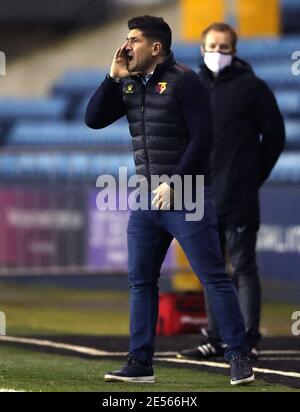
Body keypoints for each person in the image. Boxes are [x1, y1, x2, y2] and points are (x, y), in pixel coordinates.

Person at [85, 15, 254, 385]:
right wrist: (112, 78)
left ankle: (238, 356)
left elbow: (203, 138)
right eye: (127, 39)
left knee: (212, 277)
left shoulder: (185, 82)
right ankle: (140, 362)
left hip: (188, 193)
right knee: (140, 282)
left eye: (133, 40)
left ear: (155, 47)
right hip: (147, 197)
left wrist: (176, 183)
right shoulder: (129, 84)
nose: (127, 46)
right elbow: (93, 119)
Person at [177, 22, 285, 361]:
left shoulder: (253, 88)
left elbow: (275, 137)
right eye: (212, 46)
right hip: (203, 195)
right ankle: (218, 336)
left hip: (238, 196)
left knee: (242, 266)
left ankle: (248, 338)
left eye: (224, 47)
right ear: (201, 48)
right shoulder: (190, 87)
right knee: (212, 269)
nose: (217, 53)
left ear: (234, 51)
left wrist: (252, 176)